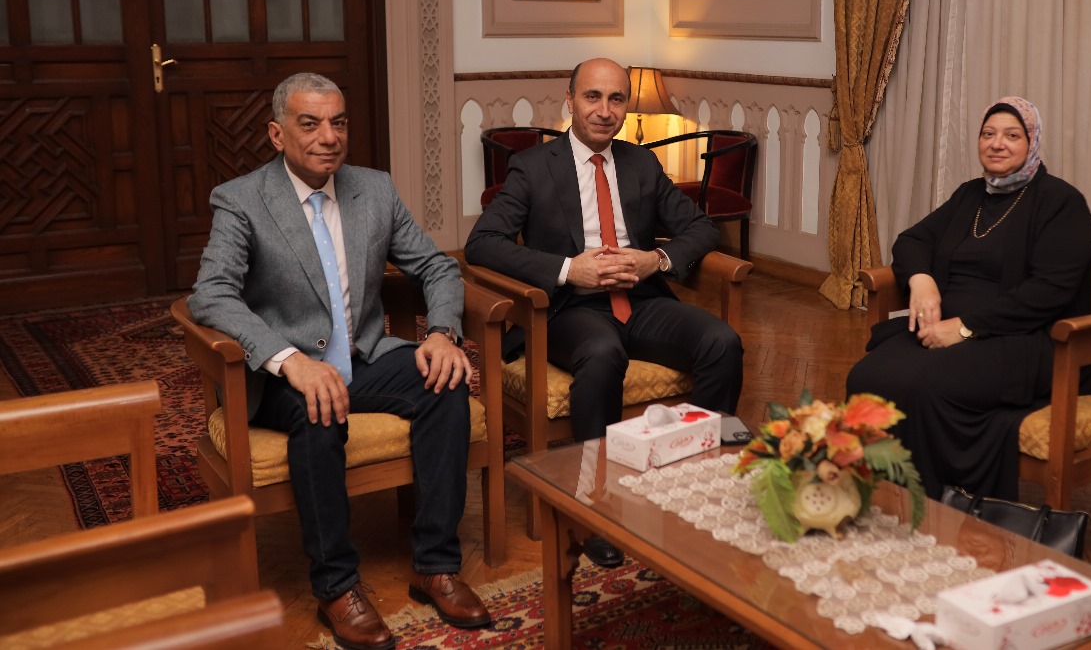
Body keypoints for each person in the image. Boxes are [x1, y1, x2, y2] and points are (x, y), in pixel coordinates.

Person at [189, 73, 491, 650]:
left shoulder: (373, 189)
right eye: (310, 124)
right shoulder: (241, 199)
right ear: (277, 134)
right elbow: (212, 293)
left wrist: (442, 333)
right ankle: (337, 587)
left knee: (445, 384)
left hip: (364, 355)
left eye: (339, 122)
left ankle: (435, 565)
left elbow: (437, 266)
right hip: (284, 376)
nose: (328, 137)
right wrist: (288, 360)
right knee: (319, 407)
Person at [464, 57, 744, 567]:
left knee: (721, 343)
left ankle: (692, 478)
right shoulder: (533, 166)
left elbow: (701, 227)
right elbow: (482, 243)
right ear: (570, 100)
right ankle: (596, 506)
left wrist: (655, 259)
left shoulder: (641, 163)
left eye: (616, 99)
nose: (604, 110)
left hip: (642, 300)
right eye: (592, 96)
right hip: (568, 307)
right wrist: (569, 269)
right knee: (602, 352)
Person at [844, 96, 1091, 502]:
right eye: (988, 134)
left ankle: (936, 504)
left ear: (1032, 142)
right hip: (946, 327)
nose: (997, 143)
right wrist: (922, 281)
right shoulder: (970, 196)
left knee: (926, 386)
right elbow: (912, 240)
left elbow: (1050, 290)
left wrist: (967, 328)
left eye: (1012, 135)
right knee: (866, 378)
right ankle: (877, 496)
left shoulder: (1061, 203)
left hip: (1025, 338)